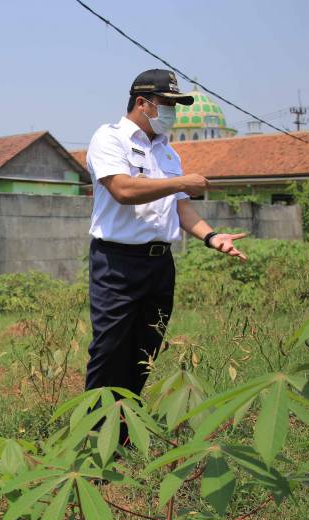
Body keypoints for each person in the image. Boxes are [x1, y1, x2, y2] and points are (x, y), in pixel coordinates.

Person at [85, 69, 247, 425]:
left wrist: (210, 236)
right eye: (167, 104)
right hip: (117, 263)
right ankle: (92, 436)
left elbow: (180, 205)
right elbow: (123, 191)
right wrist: (181, 181)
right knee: (109, 351)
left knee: (145, 350)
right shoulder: (109, 138)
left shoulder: (168, 153)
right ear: (143, 103)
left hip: (159, 266)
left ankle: (122, 428)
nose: (173, 112)